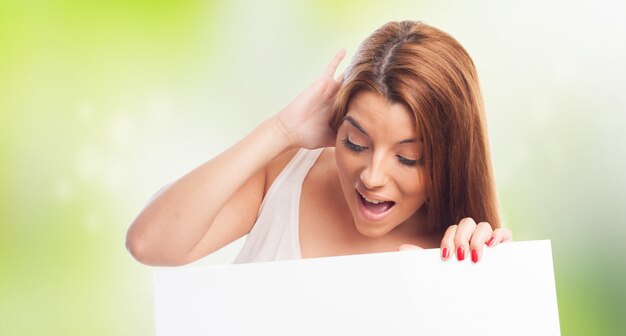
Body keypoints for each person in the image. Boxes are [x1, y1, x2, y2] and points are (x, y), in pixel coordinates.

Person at [126, 20, 512, 267]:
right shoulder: (287, 175)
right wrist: (280, 130)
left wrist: (479, 282)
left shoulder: (454, 251)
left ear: (453, 159)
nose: (372, 177)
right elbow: (149, 243)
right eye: (356, 143)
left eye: (409, 159)